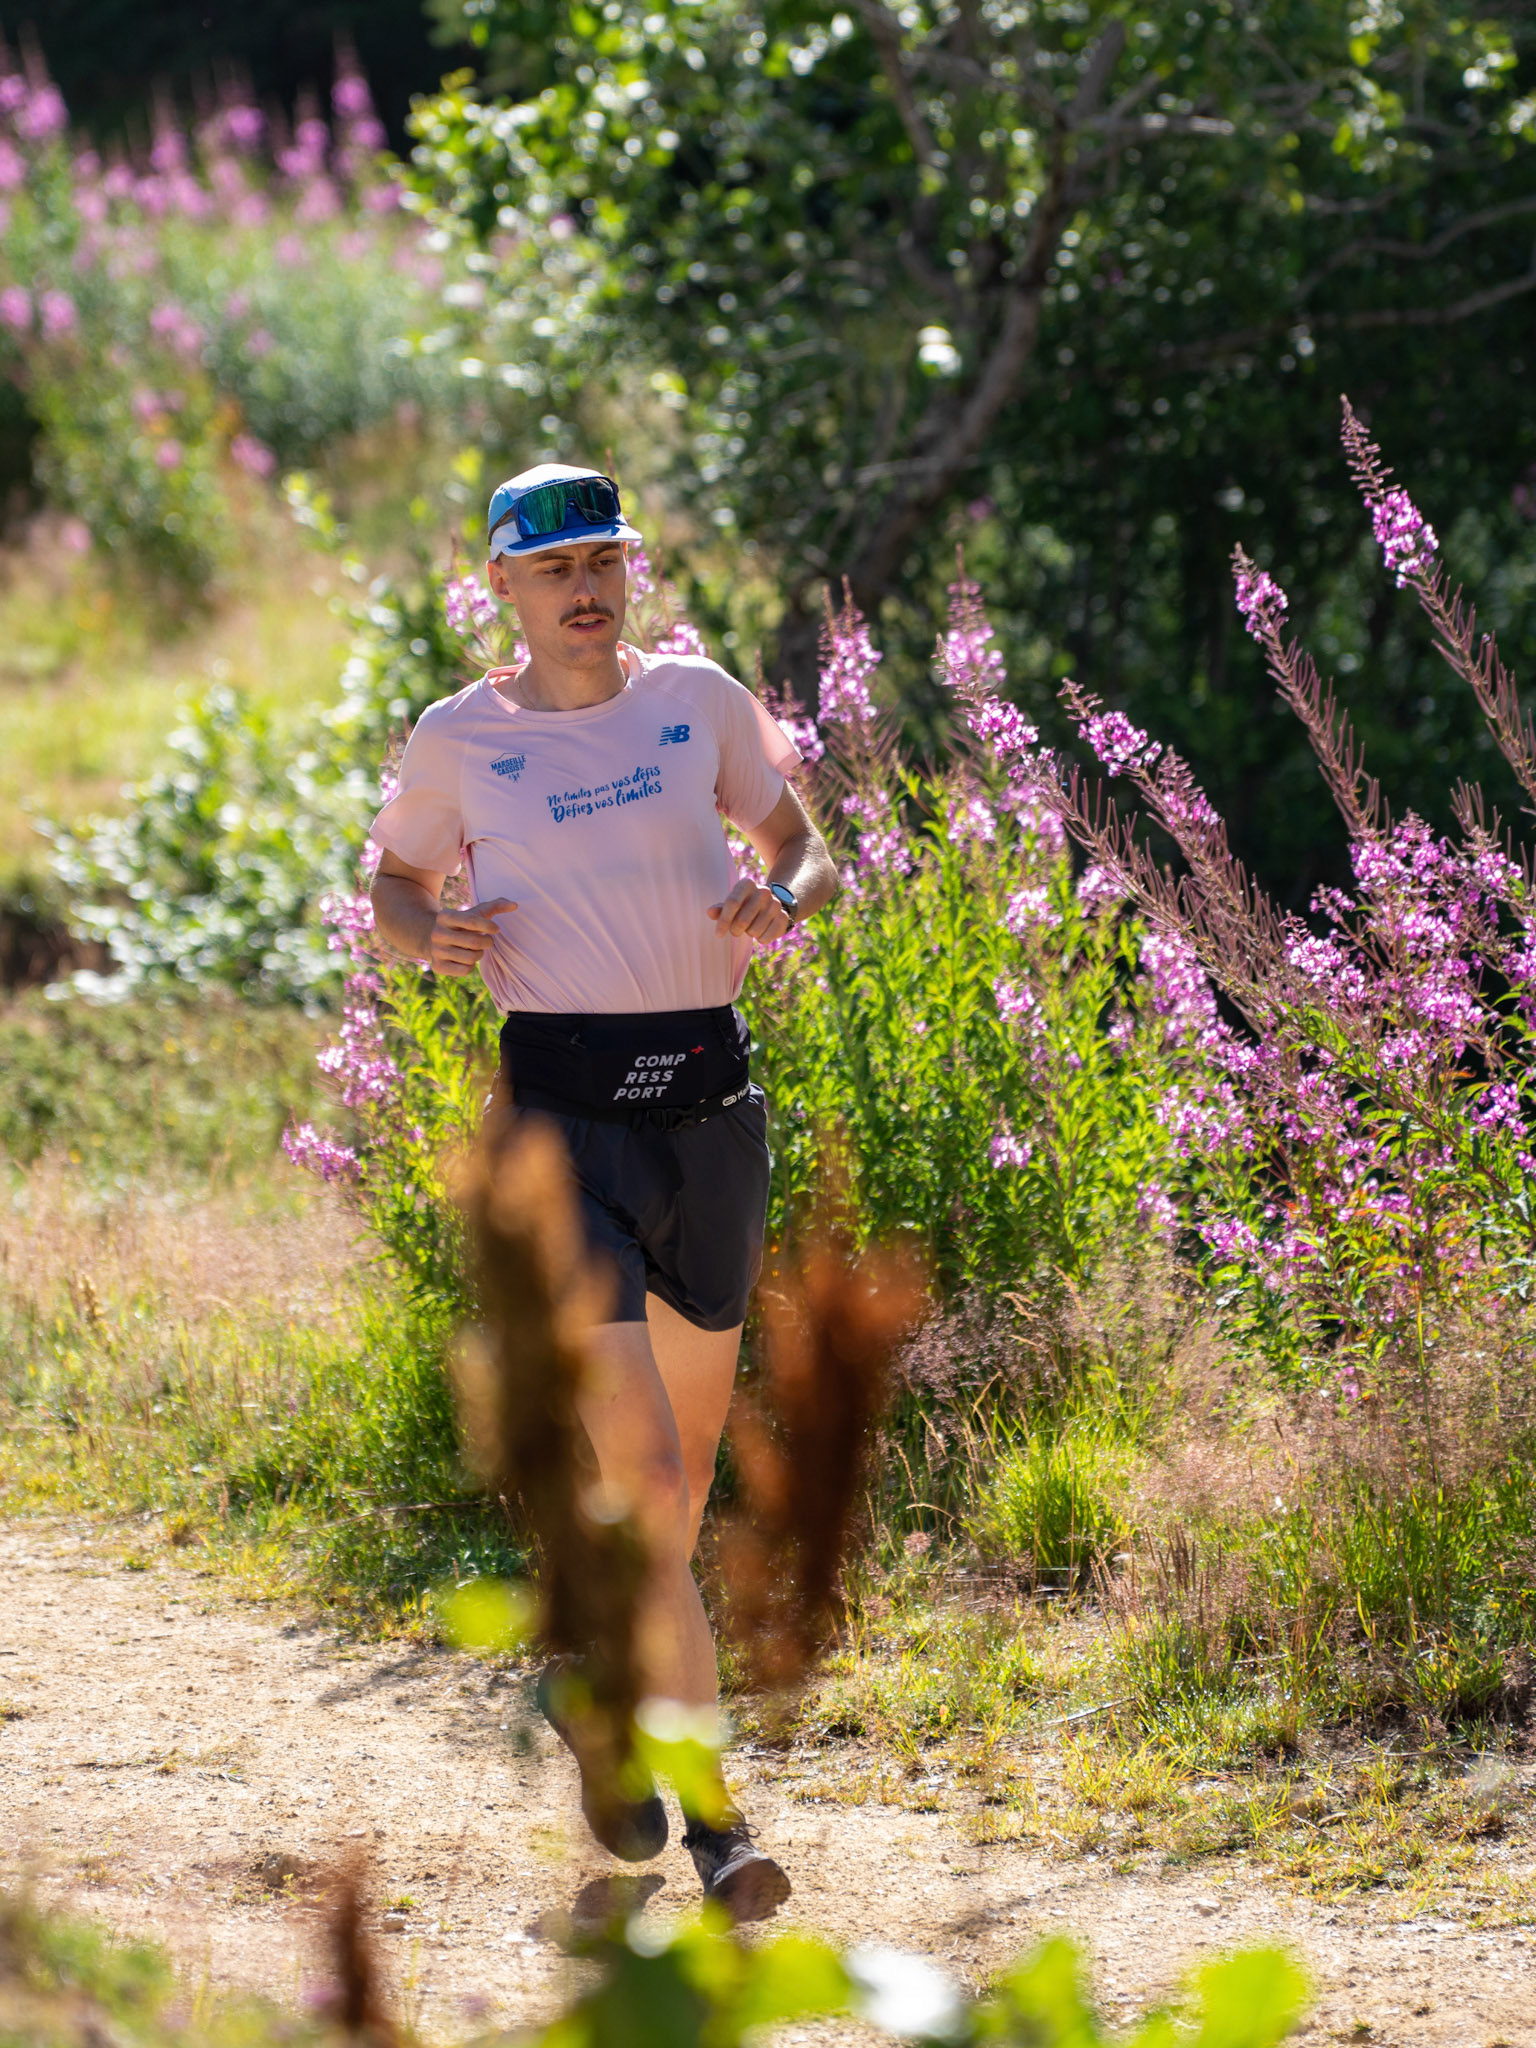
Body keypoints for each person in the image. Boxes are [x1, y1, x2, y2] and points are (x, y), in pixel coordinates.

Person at [367, 463, 838, 1920]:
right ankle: (716, 1827)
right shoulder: (462, 736)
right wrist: (421, 933)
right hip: (561, 1122)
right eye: (553, 567)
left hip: (711, 1114)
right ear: (503, 586)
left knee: (676, 1499)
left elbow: (804, 841)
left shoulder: (698, 701)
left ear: (630, 570)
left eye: (604, 562)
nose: (585, 589)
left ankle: (600, 1692)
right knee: (638, 1481)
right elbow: (389, 879)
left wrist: (787, 897)